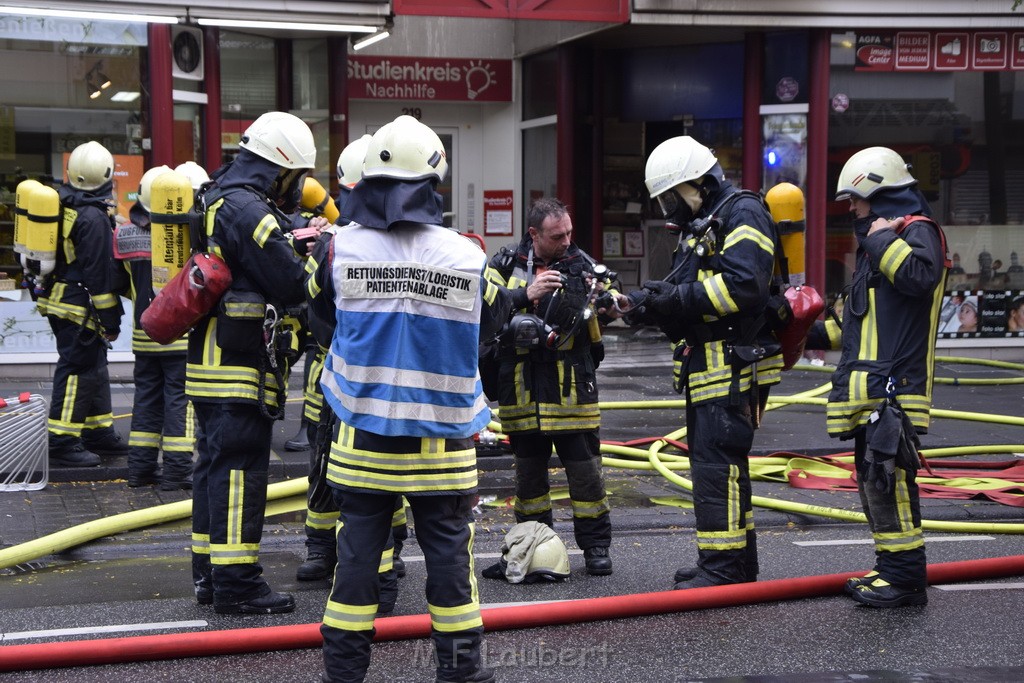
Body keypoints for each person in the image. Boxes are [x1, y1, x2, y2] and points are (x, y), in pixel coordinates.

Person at [309, 115, 511, 683]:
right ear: (435, 184)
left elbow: (318, 320)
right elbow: (491, 329)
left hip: (362, 441)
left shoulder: (336, 251)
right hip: (443, 445)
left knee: (356, 560)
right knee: (450, 558)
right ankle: (462, 671)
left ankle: (345, 673)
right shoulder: (471, 259)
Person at [608, 136, 783, 589]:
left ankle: (721, 568)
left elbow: (745, 287)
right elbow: (685, 291)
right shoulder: (706, 222)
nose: (669, 207)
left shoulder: (742, 212)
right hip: (709, 366)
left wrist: (675, 298)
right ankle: (737, 564)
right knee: (720, 468)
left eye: (671, 196)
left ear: (697, 184)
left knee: (716, 467)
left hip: (728, 364)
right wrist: (641, 304)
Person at [807, 146, 949, 608]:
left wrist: (880, 237)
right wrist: (789, 328)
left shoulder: (917, 232)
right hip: (872, 392)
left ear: (878, 190)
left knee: (892, 486)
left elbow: (919, 277)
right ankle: (891, 568)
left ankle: (906, 581)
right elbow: (853, 324)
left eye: (855, 199)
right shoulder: (878, 243)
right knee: (875, 485)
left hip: (895, 392)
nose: (851, 209)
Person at [187, 111, 315, 615]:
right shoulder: (250, 211)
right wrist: (312, 253)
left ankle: (209, 578)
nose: (297, 187)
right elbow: (290, 283)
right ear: (279, 169)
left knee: (213, 471)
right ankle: (238, 585)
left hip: (207, 361)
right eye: (296, 177)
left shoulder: (216, 197)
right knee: (240, 472)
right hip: (238, 368)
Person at [295, 133, 411, 585]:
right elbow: (312, 310)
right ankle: (322, 549)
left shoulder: (349, 246)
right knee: (322, 465)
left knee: (380, 468)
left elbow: (316, 306)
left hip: (362, 375)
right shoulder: (339, 243)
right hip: (332, 376)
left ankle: (385, 551)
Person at [481, 197, 614, 578]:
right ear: (534, 234)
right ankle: (534, 549)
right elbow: (485, 316)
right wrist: (527, 295)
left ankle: (596, 548)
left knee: (587, 477)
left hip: (571, 390)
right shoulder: (504, 267)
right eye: (558, 236)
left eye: (570, 232)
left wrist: (605, 304)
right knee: (530, 483)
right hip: (521, 391)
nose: (568, 241)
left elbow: (597, 334)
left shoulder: (583, 267)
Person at [39, 140, 129, 467]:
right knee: (78, 369)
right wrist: (112, 321)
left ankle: (99, 431)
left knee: (94, 366)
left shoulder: (65, 203)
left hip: (62, 299)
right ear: (105, 175)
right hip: (78, 305)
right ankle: (61, 441)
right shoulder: (93, 217)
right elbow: (99, 276)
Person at [113, 165, 195, 489]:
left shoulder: (123, 236)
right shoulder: (188, 233)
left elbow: (116, 285)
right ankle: (176, 472)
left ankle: (140, 470)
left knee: (145, 400)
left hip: (143, 334)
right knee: (178, 400)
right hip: (180, 337)